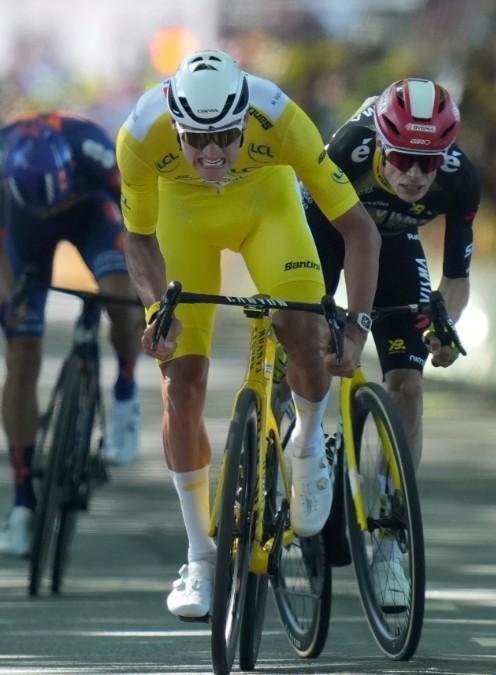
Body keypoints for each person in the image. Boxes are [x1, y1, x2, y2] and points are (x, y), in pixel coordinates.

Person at [116, 49, 380, 619]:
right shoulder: (139, 133)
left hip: (267, 207)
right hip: (182, 218)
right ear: (175, 127)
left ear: (245, 120)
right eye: (196, 140)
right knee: (180, 383)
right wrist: (158, 309)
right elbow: (138, 237)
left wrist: (357, 327)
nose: (212, 153)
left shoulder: (281, 118)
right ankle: (200, 558)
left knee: (302, 327)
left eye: (226, 138)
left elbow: (360, 231)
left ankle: (308, 442)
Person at [305, 78, 476, 606]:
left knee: (407, 384)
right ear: (380, 142)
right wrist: (334, 321)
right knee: (307, 342)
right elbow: (309, 240)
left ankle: (388, 542)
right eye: (402, 158)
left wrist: (443, 327)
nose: (414, 175)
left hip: (396, 244)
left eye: (428, 162)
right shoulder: (347, 151)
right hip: (327, 231)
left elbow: (456, 279)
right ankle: (299, 447)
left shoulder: (460, 178)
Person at [0, 112, 143, 556]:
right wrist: (12, 301)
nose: (50, 211)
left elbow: (143, 219)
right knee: (21, 353)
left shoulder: (93, 149)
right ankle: (22, 503)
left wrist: (146, 289)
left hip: (92, 214)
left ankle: (125, 389)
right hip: (22, 233)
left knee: (121, 297)